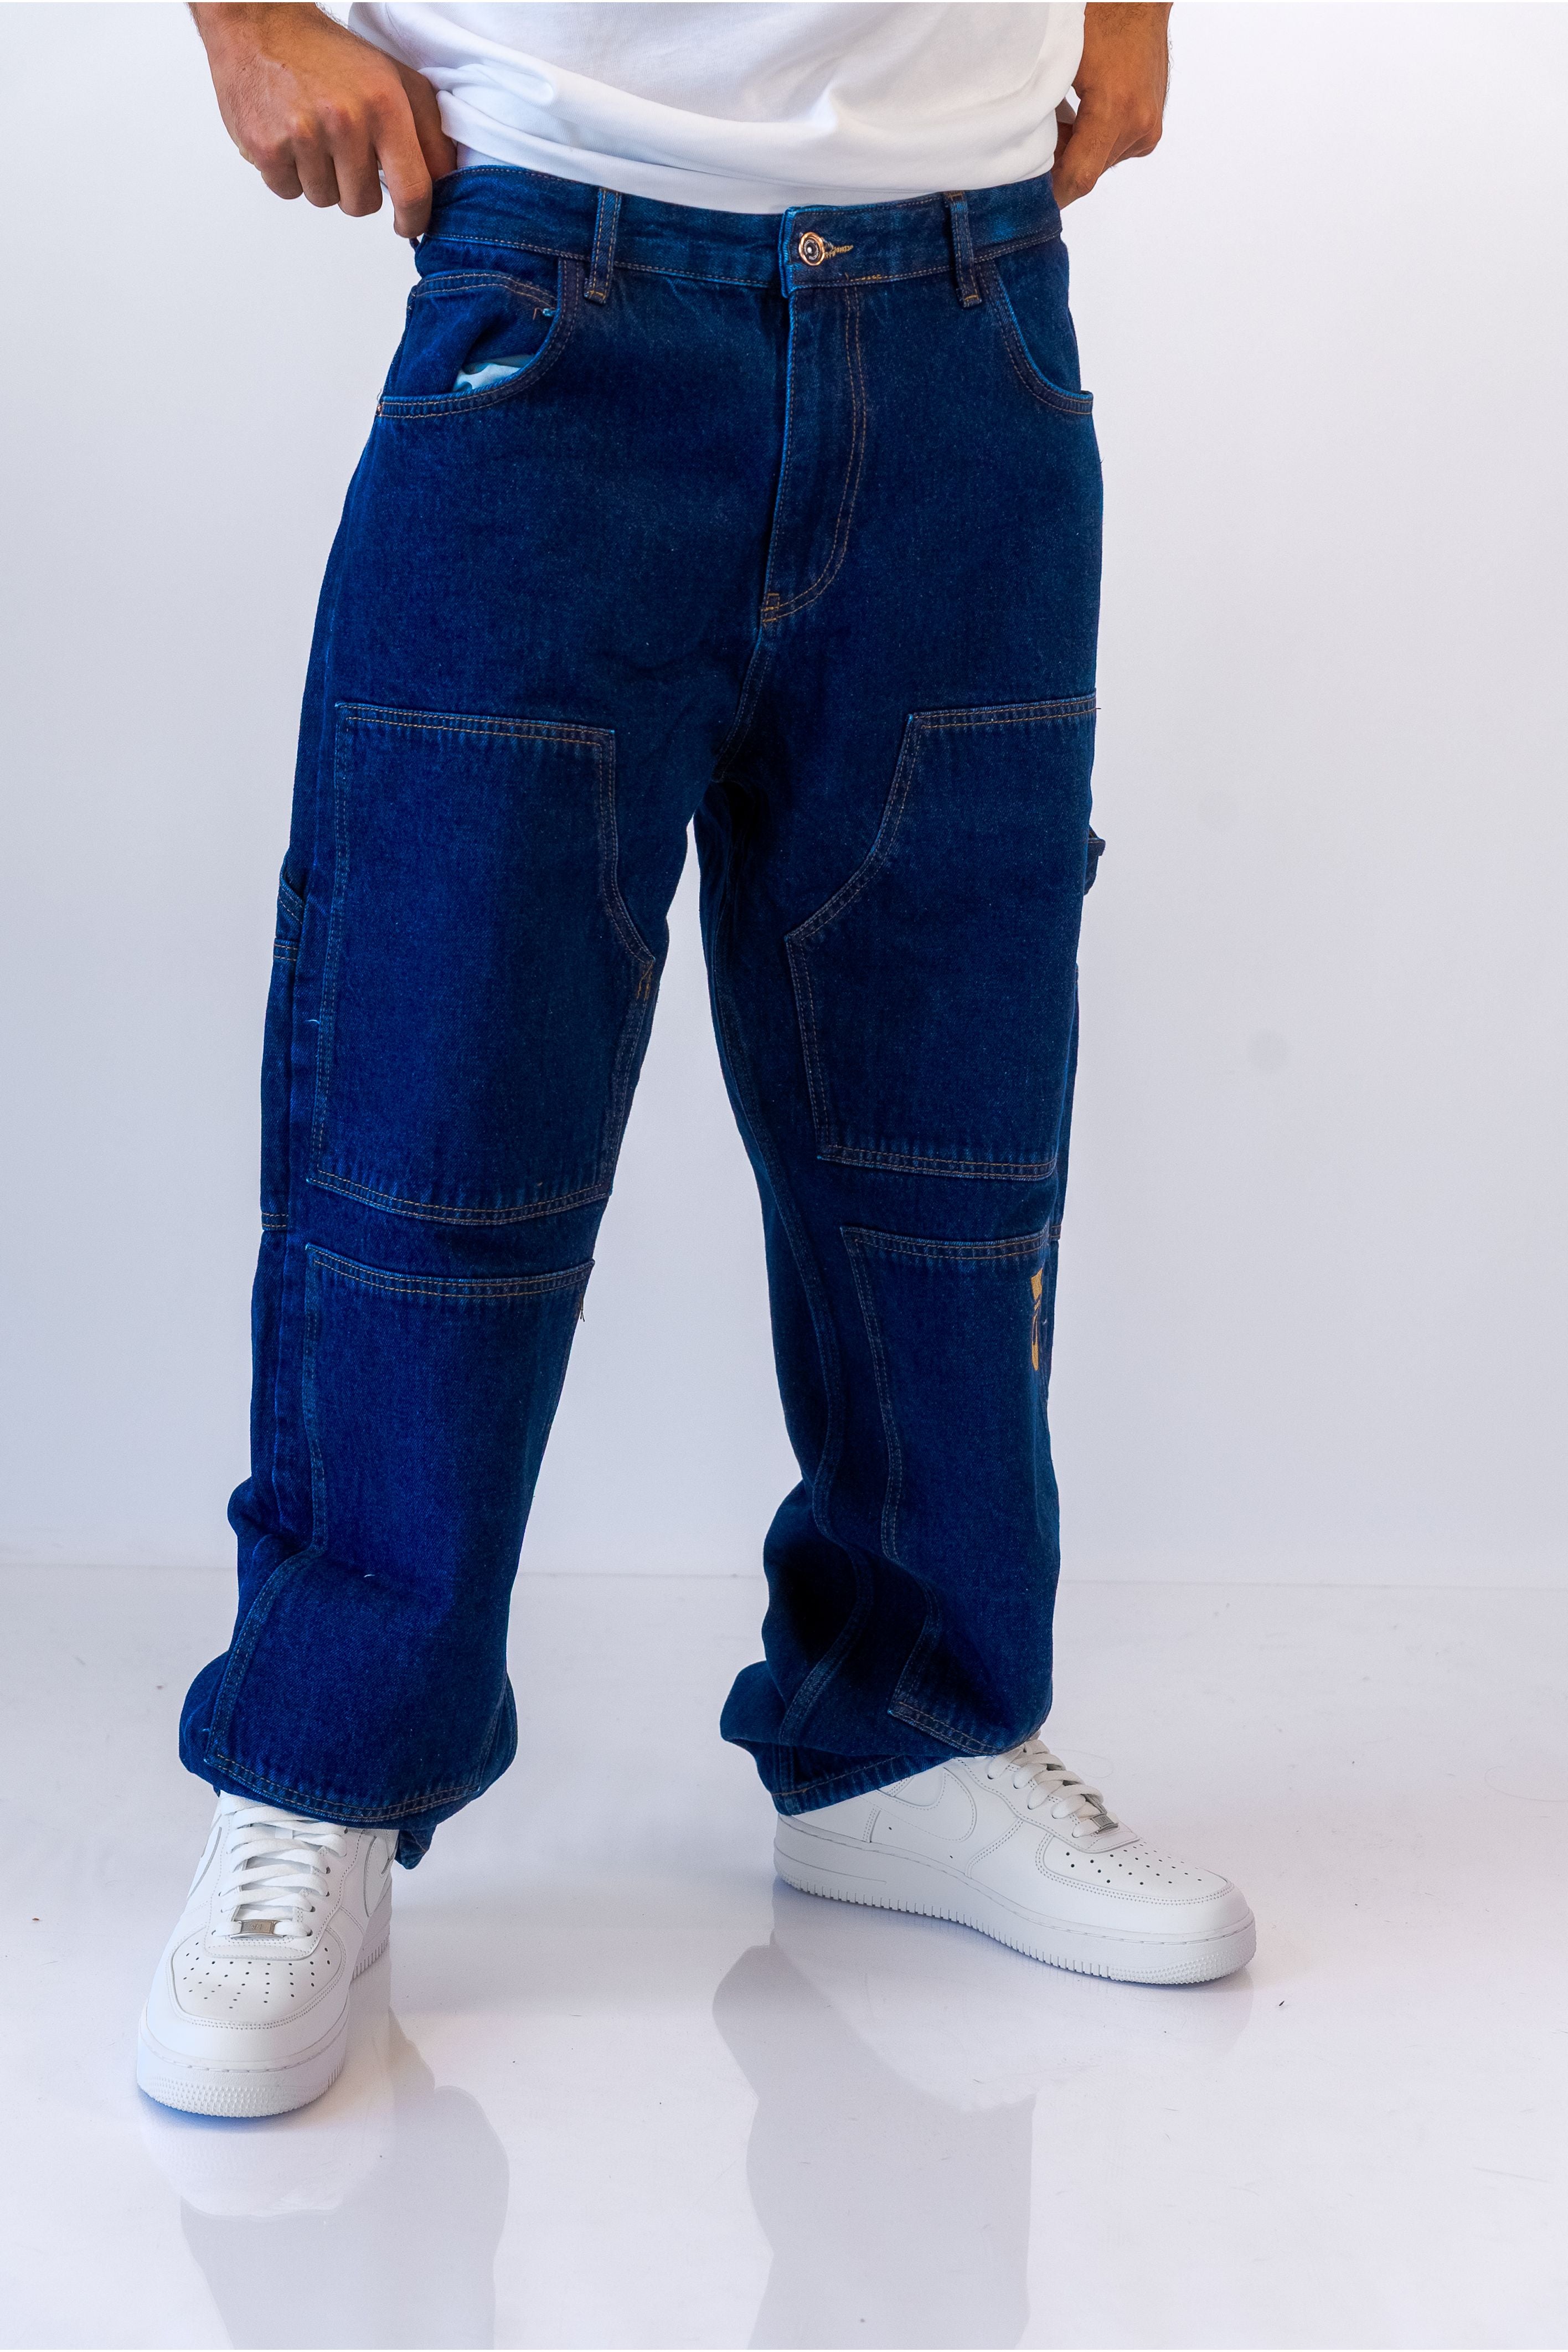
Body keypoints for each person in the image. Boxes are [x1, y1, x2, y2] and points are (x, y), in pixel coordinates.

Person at [139, 0, 1254, 2123]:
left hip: (969, 306)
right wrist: (248, 18)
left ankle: (914, 1727)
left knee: (946, 1116)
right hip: (556, 276)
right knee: (435, 1097)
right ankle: (322, 1771)